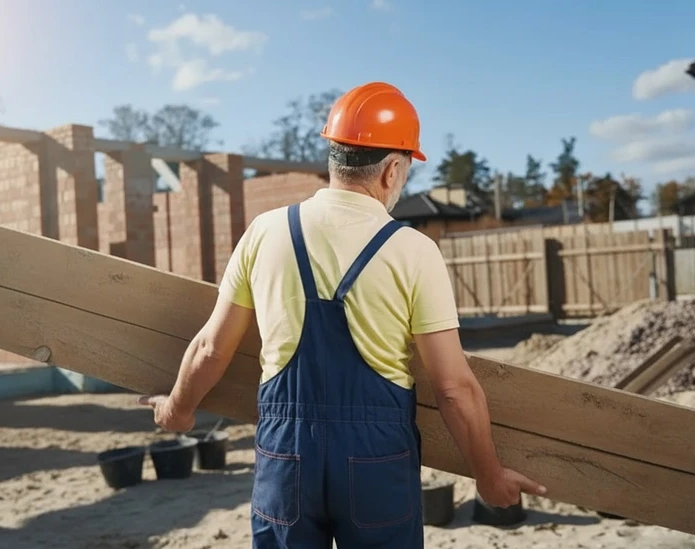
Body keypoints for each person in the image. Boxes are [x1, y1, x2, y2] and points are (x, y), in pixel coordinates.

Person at [140, 81, 546, 548]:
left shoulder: (265, 232)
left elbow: (211, 347)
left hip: (285, 452)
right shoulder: (414, 251)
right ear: (393, 170)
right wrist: (488, 476)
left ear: (334, 156)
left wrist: (177, 409)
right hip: (377, 458)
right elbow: (454, 388)